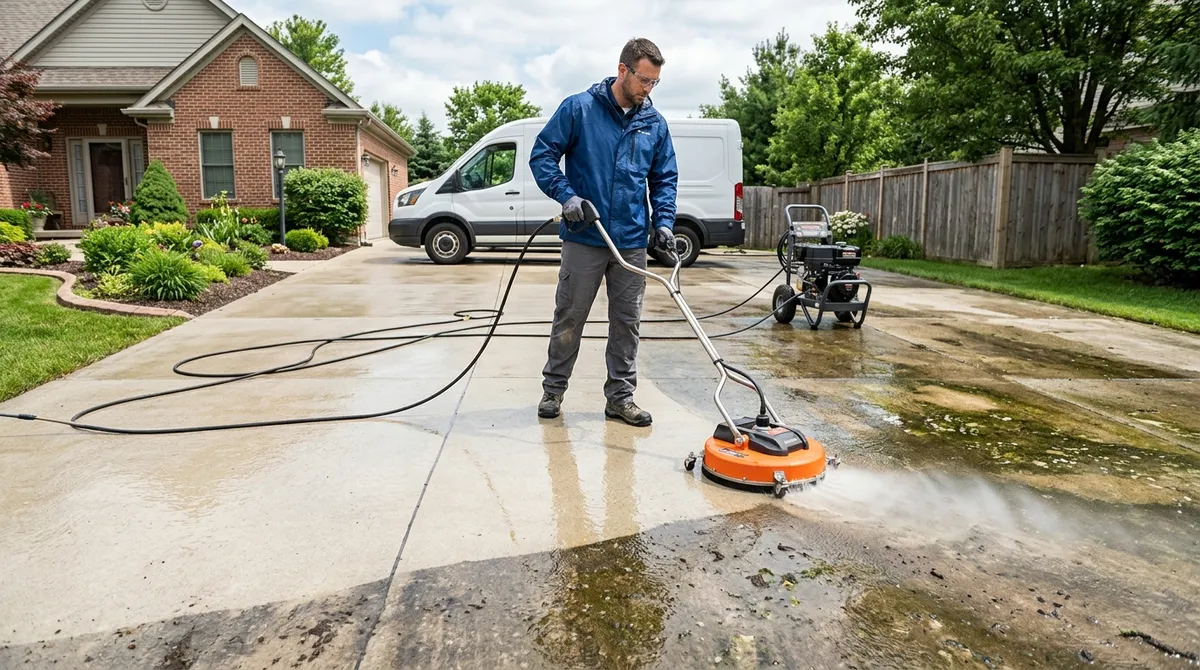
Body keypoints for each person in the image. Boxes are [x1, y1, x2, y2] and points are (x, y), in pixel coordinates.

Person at [528, 37, 679, 427]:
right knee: (570, 317)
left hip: (629, 242)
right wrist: (566, 196)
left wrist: (663, 222)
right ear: (623, 70)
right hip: (585, 236)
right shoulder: (579, 108)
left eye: (654, 83)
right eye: (644, 80)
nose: (648, 90)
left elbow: (665, 179)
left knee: (627, 324)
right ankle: (553, 391)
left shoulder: (654, 124)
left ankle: (620, 398)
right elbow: (543, 155)